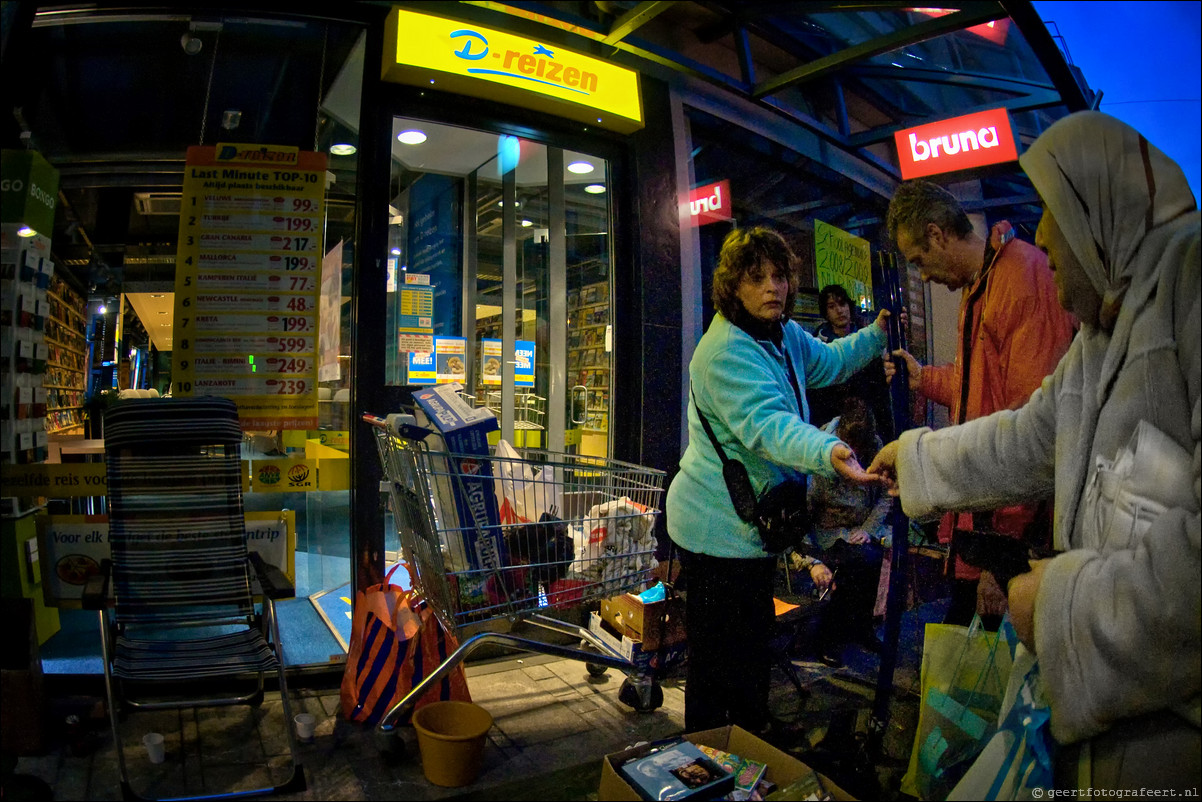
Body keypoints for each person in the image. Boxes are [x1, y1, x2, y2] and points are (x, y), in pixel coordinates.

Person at [869, 111, 1200, 792]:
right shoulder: (1100, 336)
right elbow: (1025, 434)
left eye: (1051, 210)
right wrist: (916, 456)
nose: (1040, 233)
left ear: (1097, 209)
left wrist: (1061, 606)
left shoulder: (1188, 282)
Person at [666, 226, 891, 734]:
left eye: (779, 275)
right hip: (713, 529)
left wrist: (876, 335)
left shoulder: (781, 333)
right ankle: (710, 754)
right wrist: (829, 448)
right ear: (733, 286)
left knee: (750, 643)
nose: (773, 287)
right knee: (718, 660)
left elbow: (830, 362)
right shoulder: (725, 352)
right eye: (757, 277)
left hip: (751, 528)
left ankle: (747, 738)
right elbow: (769, 427)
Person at [885, 179, 1076, 626]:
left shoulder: (1021, 278)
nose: (925, 275)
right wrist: (924, 378)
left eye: (920, 261)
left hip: (1007, 532)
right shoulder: (983, 286)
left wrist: (1001, 560)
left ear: (936, 235)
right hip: (988, 523)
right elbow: (980, 390)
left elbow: (1034, 429)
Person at [807, 397, 891, 667]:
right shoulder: (820, 449)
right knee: (857, 562)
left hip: (857, 529)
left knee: (873, 555)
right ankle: (827, 638)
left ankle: (862, 628)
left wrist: (868, 528)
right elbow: (804, 507)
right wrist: (812, 560)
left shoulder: (875, 447)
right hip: (826, 531)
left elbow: (886, 495)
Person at [806, 284, 895, 441]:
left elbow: (879, 392)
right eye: (832, 306)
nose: (839, 310)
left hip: (869, 426)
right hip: (833, 431)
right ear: (825, 312)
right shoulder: (817, 348)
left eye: (842, 304)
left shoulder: (870, 341)